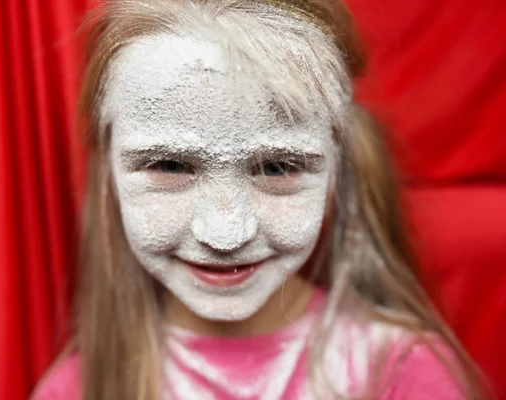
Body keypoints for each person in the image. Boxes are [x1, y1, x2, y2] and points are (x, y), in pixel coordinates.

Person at [33, 0, 486, 399]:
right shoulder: (77, 389)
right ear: (108, 171)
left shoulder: (399, 375)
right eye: (169, 166)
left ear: (336, 168)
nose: (225, 236)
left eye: (277, 167)